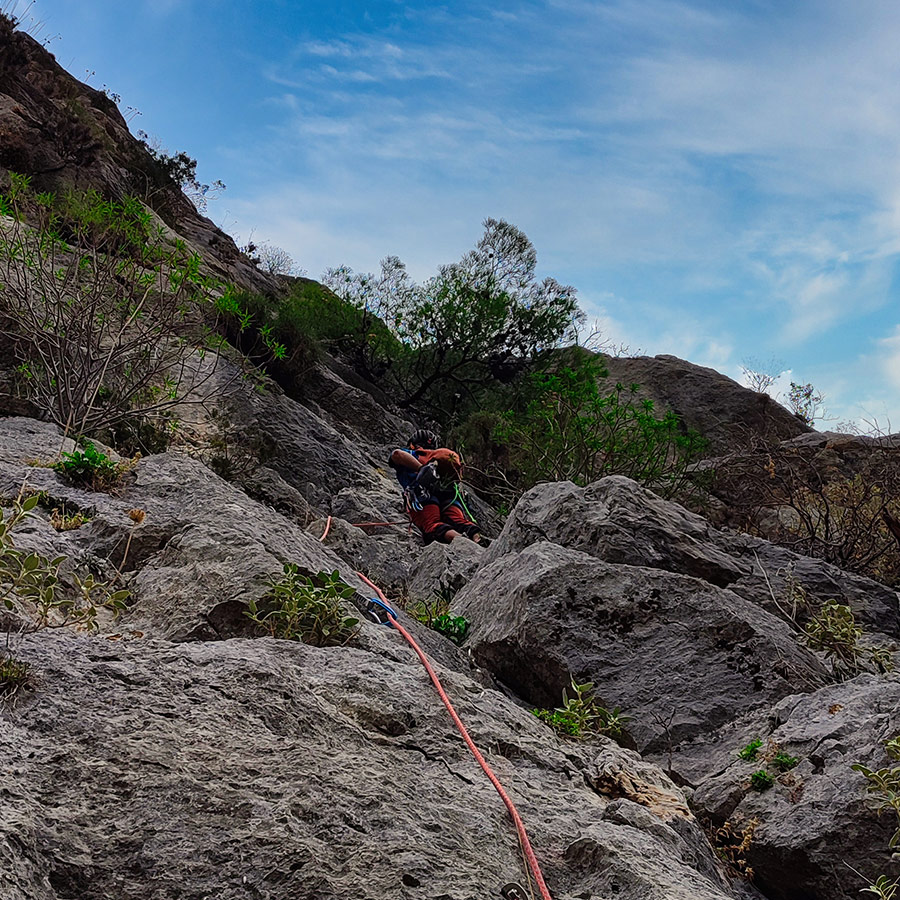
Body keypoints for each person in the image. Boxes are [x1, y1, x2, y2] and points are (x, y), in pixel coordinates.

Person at [389, 429, 483, 545]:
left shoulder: (414, 454)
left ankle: (464, 543)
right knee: (458, 521)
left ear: (412, 445)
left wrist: (421, 469)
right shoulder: (437, 459)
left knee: (431, 526)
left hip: (423, 494)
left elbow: (397, 454)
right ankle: (477, 537)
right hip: (450, 496)